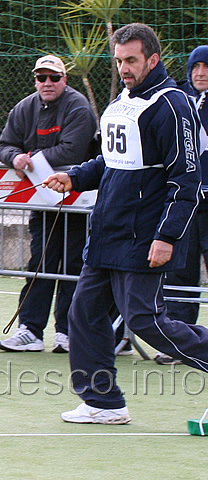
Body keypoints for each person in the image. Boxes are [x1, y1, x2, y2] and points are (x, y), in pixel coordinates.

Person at [44, 23, 207, 424]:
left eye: (131, 60)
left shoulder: (172, 104)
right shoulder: (123, 100)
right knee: (83, 314)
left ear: (152, 59)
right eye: (119, 61)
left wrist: (167, 236)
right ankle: (103, 403)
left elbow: (188, 178)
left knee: (145, 322)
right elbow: (110, 161)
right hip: (106, 232)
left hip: (144, 236)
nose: (123, 69)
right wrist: (76, 177)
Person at [0, 55, 98, 353]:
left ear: (64, 79)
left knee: (72, 265)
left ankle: (67, 331)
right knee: (40, 262)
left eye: (54, 77)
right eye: (41, 78)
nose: (47, 83)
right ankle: (29, 329)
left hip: (76, 198)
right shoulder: (24, 107)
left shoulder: (78, 106)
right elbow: (5, 144)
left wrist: (32, 159)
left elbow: (73, 150)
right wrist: (15, 158)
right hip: (42, 201)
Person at [155, 46, 208, 365]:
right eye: (196, 66)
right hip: (188, 206)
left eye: (206, 66)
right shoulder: (178, 100)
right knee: (181, 274)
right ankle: (182, 342)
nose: (200, 72)